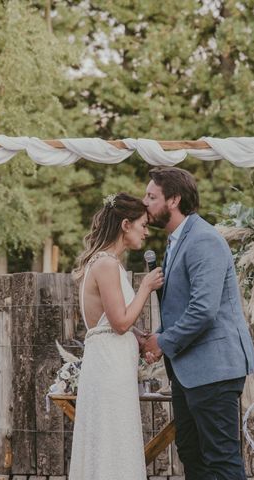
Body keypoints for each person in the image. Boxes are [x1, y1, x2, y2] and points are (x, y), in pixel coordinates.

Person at [141, 167, 254, 480]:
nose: (145, 203)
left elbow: (203, 310)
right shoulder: (175, 241)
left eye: (151, 197)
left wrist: (163, 343)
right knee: (192, 454)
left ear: (173, 200)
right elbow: (181, 308)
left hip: (214, 369)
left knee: (220, 459)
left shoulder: (204, 240)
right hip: (189, 371)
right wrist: (157, 336)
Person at [68, 192, 164, 480]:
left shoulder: (106, 263)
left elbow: (109, 322)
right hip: (109, 368)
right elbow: (119, 322)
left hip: (111, 363)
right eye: (143, 224)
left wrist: (137, 334)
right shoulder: (106, 264)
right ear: (125, 224)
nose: (146, 232)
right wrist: (145, 287)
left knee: (114, 441)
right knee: (112, 442)